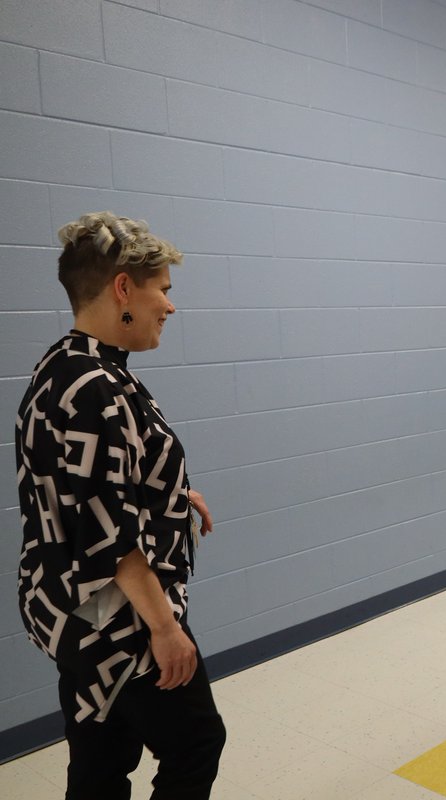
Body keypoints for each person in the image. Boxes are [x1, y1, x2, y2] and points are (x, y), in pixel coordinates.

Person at [15, 212, 225, 799]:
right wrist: (164, 628)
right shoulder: (96, 390)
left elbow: (81, 487)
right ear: (124, 290)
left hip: (72, 614)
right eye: (163, 289)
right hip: (117, 619)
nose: (170, 306)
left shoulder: (65, 367)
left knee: (102, 759)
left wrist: (169, 494)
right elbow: (109, 534)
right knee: (196, 742)